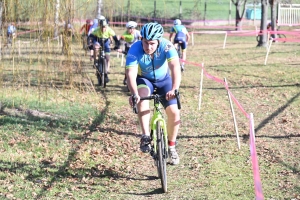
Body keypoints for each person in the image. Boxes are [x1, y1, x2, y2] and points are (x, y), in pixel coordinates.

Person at [125, 22, 181, 165]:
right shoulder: (135, 48)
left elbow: (175, 67)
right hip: (145, 79)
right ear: (141, 39)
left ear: (159, 41)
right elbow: (130, 73)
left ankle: (172, 147)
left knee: (174, 112)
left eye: (152, 44)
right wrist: (134, 93)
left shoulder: (167, 46)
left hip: (164, 81)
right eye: (145, 43)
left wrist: (174, 88)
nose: (148, 47)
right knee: (142, 97)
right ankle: (145, 136)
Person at [90, 18, 120, 83]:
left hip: (106, 42)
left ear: (106, 26)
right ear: (99, 26)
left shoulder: (110, 30)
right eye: (102, 27)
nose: (103, 29)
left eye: (104, 27)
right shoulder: (97, 30)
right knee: (96, 47)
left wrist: (117, 46)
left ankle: (107, 71)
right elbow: (90, 37)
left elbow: (116, 40)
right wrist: (89, 43)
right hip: (98, 41)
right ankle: (95, 61)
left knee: (107, 58)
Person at [118, 21, 142, 85]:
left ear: (134, 28)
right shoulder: (125, 33)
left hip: (136, 49)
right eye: (129, 29)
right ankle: (126, 77)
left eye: (132, 29)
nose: (131, 30)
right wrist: (119, 47)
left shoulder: (137, 33)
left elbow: (142, 39)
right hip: (128, 49)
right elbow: (121, 40)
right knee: (128, 65)